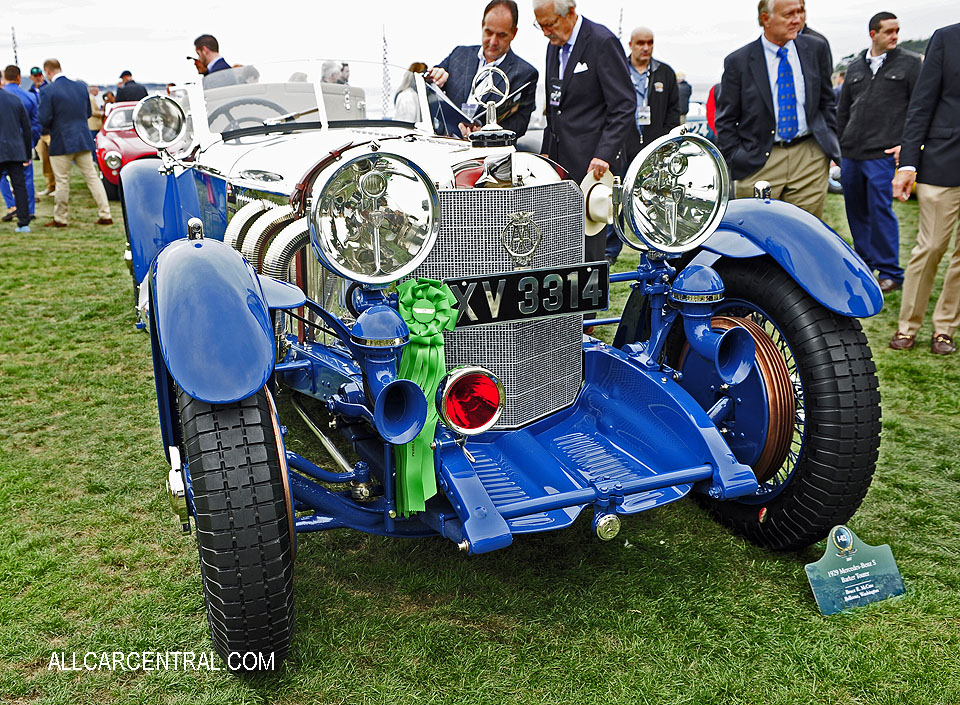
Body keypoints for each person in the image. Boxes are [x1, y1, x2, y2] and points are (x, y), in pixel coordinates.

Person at [715, 0, 839, 218]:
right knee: (756, 239)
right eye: (788, 14)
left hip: (809, 157)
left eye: (800, 12)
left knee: (804, 234)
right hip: (758, 161)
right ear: (766, 19)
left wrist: (829, 145)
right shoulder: (738, 61)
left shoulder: (816, 49)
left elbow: (827, 101)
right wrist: (736, 158)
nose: (797, 19)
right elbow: (726, 119)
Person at [534, 0, 634, 265]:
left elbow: (623, 105)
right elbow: (554, 108)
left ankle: (586, 309)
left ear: (570, 13)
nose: (545, 31)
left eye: (550, 24)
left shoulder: (602, 42)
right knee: (557, 247)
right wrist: (546, 152)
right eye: (540, 25)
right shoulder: (552, 46)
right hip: (558, 165)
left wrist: (604, 154)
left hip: (592, 168)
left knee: (588, 253)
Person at [889, 22, 960, 356]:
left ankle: (944, 328)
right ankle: (908, 326)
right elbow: (922, 102)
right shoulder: (946, 38)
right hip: (943, 161)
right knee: (931, 246)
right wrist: (907, 163)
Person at [837, 12, 921, 294]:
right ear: (873, 34)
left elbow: (918, 110)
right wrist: (840, 145)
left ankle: (890, 272)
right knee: (856, 212)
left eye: (897, 31)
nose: (895, 36)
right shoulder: (854, 67)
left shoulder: (909, 64)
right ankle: (865, 264)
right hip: (851, 153)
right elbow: (843, 110)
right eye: (888, 32)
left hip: (881, 155)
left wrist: (907, 147)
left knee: (880, 212)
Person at [607, 25, 680, 264]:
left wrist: (667, 142)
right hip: (622, 145)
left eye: (650, 43)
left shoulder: (664, 73)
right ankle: (610, 250)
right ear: (630, 44)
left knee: (655, 198)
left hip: (653, 147)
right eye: (640, 43)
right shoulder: (618, 70)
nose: (646, 48)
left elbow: (673, 111)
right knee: (615, 198)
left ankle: (655, 247)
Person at [426, 0, 538, 138]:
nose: (492, 41)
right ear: (482, 26)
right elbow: (426, 83)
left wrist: (486, 133)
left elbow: (519, 125)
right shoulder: (459, 54)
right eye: (488, 32)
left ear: (514, 33)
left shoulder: (525, 74)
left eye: (501, 35)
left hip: (488, 153)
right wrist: (434, 75)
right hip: (446, 143)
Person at [37, 59, 113, 227]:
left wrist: (53, 128)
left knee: (62, 180)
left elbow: (44, 118)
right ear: (60, 68)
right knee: (92, 178)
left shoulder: (48, 91)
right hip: (82, 138)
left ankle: (60, 218)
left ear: (47, 72)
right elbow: (87, 112)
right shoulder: (80, 87)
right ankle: (105, 213)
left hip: (61, 141)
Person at [1, 65, 40, 223]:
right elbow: (31, 126)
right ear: (18, 78)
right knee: (23, 183)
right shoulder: (25, 98)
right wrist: (29, 148)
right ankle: (26, 215)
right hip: (18, 148)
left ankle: (11, 206)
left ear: (4, 78)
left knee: (3, 180)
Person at [0, 86, 33, 233]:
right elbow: (26, 128)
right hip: (15, 149)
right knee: (19, 186)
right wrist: (27, 153)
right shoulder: (14, 99)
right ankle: (24, 221)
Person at [29, 66, 55, 196]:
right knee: (45, 161)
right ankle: (50, 185)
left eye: (40, 75)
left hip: (50, 131)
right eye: (35, 76)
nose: (38, 78)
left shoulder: (50, 89)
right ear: (31, 78)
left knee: (55, 159)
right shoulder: (30, 92)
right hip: (39, 133)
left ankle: (58, 186)